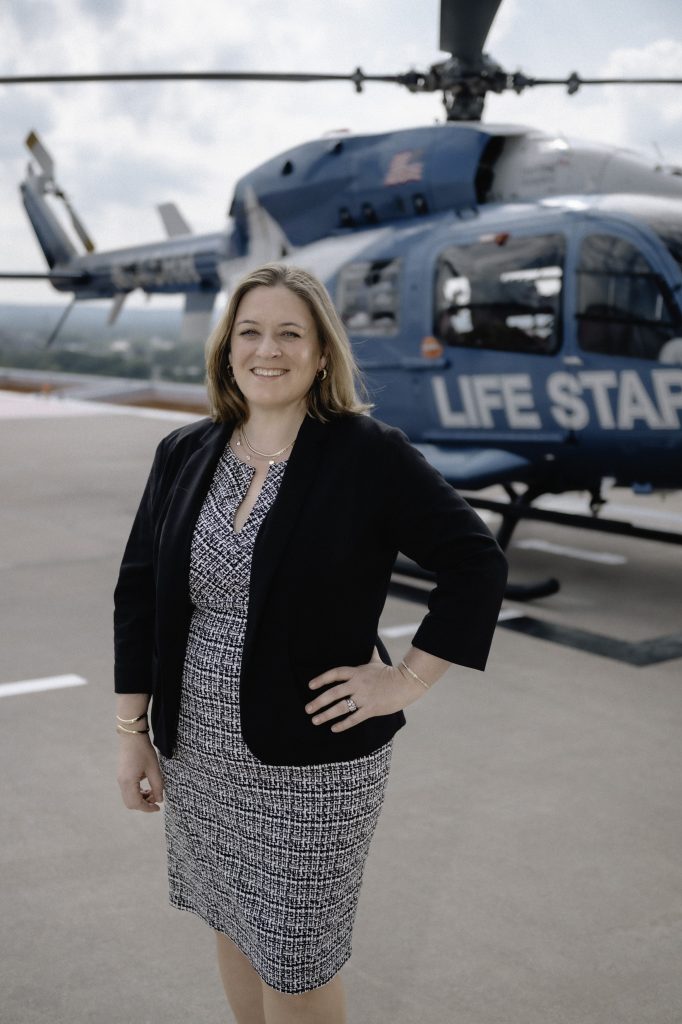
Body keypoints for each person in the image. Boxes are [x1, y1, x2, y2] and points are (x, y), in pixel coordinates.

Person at [114, 263, 508, 1024]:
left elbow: (474, 560)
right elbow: (137, 595)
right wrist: (133, 733)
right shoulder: (184, 453)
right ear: (228, 350)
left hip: (313, 761)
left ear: (321, 353)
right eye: (251, 332)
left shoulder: (366, 454)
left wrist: (409, 680)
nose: (270, 348)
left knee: (295, 960)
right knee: (232, 923)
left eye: (290, 333)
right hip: (199, 751)